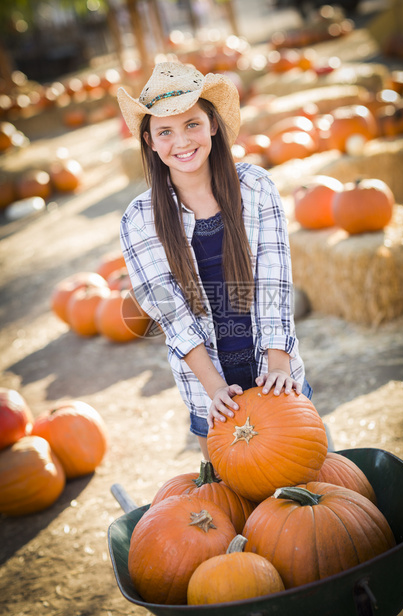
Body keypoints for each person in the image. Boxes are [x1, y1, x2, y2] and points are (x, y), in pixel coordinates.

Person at [117, 61, 313, 461]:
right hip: (210, 395)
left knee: (305, 495)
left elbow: (275, 281)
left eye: (192, 124)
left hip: (275, 375)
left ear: (212, 125)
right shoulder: (139, 220)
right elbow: (172, 315)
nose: (181, 141)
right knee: (235, 510)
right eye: (165, 131)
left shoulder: (255, 187)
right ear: (150, 142)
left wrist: (278, 366)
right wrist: (215, 390)